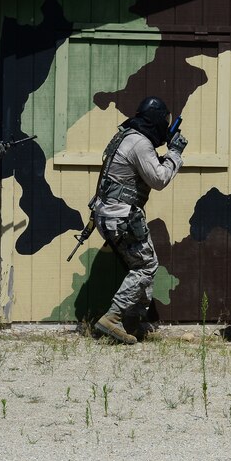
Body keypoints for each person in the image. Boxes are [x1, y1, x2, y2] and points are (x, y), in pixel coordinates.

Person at [92, 96, 187, 345]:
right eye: (164, 123)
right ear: (156, 121)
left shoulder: (125, 136)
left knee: (143, 265)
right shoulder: (140, 143)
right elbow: (158, 179)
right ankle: (113, 318)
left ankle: (131, 324)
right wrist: (175, 153)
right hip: (121, 215)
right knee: (145, 266)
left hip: (107, 214)